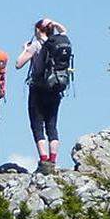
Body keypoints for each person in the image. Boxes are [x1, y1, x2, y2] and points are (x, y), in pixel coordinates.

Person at [16, 18, 69, 174]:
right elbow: (64, 31)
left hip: (38, 89)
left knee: (37, 125)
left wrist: (24, 49)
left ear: (38, 30)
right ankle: (53, 160)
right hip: (55, 88)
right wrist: (54, 22)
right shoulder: (58, 42)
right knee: (52, 125)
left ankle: (44, 160)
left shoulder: (36, 46)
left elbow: (18, 64)